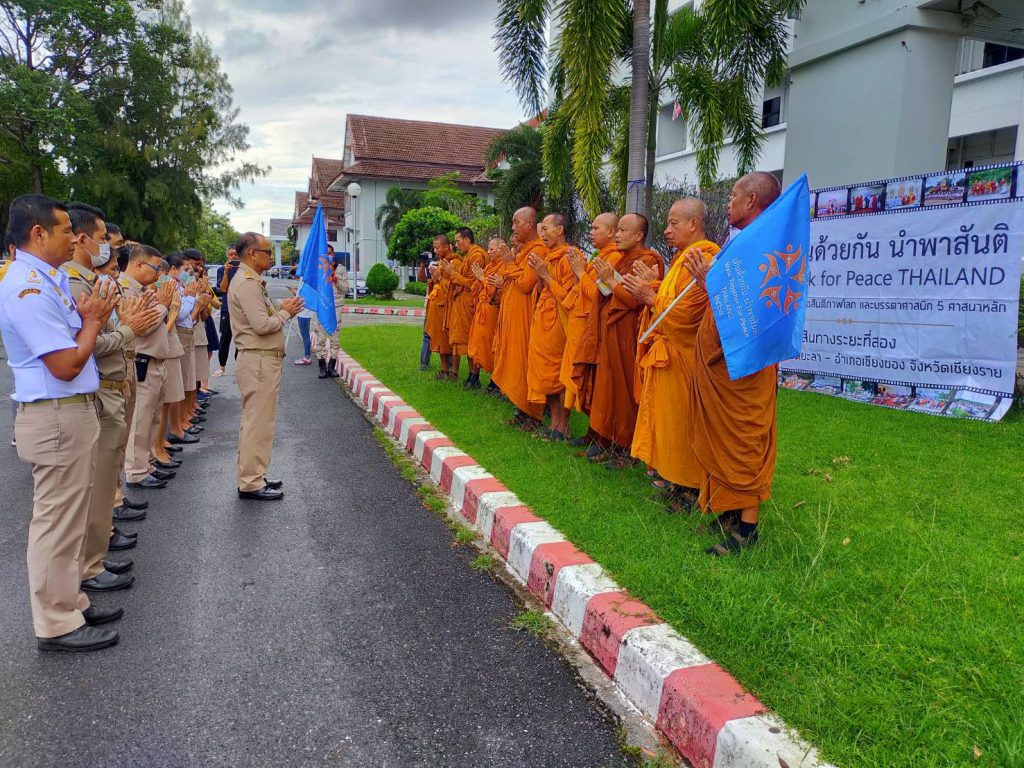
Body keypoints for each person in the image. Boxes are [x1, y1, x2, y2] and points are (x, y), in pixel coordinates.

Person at [0, 194, 122, 651]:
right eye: (66, 230)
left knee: (69, 521)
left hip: (67, 414)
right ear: (38, 234)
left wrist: (91, 321)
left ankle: (70, 600)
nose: (75, 238)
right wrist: (93, 321)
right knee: (56, 524)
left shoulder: (45, 279)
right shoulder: (26, 288)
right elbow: (66, 364)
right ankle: (56, 622)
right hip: (53, 416)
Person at [63, 203, 160, 594]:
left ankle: (94, 559)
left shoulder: (88, 281)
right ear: (82, 238)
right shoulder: (72, 282)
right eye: (105, 240)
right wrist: (129, 331)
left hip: (113, 385)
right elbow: (86, 343)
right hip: (98, 387)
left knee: (104, 481)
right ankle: (87, 565)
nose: (111, 250)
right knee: (94, 486)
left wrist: (127, 326)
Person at [687, 172, 783, 555]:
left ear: (752, 200)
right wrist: (707, 284)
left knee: (743, 439)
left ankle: (747, 530)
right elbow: (727, 300)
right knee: (722, 437)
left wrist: (712, 282)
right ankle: (727, 511)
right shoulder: (740, 242)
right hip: (720, 361)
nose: (727, 202)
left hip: (744, 364)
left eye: (733, 195)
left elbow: (754, 312)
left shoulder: (766, 247)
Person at [624, 199, 719, 509]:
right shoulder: (682, 260)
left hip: (685, 357)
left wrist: (650, 296)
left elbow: (687, 315)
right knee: (667, 423)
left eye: (673, 223)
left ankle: (690, 488)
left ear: (693, 224)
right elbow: (673, 295)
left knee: (681, 424)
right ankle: (674, 482)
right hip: (668, 355)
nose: (666, 230)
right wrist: (652, 286)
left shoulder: (706, 257)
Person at [573, 213, 664, 466]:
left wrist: (611, 280)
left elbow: (635, 298)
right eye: (618, 230)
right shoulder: (623, 260)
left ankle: (627, 449)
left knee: (625, 392)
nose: (618, 236)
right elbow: (605, 292)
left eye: (624, 231)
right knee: (609, 389)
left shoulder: (645, 261)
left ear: (638, 236)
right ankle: (610, 441)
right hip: (611, 332)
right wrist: (607, 280)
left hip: (628, 336)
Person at [228, 232, 304, 500]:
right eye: (267, 252)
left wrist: (281, 307)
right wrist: (286, 313)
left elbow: (260, 316)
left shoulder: (252, 282)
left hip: (261, 360)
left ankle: (254, 474)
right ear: (252, 254)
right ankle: (250, 481)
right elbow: (261, 326)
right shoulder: (247, 283)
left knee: (259, 422)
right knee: (256, 423)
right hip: (258, 359)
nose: (270, 256)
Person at [122, 247, 178, 493]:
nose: (159, 274)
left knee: (153, 419)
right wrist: (164, 307)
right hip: (142, 360)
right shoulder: (125, 289)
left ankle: (148, 463)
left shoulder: (144, 290)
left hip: (156, 361)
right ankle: (136, 471)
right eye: (156, 268)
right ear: (139, 265)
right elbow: (141, 326)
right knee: (140, 420)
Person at [491, 208, 545, 428]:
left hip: (524, 318)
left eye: (516, 222)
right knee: (514, 360)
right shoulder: (524, 252)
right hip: (513, 316)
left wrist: (509, 263)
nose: (513, 228)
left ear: (529, 224)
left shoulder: (538, 250)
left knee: (523, 362)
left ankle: (532, 413)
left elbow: (524, 284)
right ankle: (521, 410)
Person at [560, 213, 618, 420]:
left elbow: (597, 294)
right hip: (579, 320)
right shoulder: (600, 257)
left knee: (584, 375)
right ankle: (564, 426)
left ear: (611, 232)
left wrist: (580, 273)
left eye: (595, 228)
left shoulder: (614, 258)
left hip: (589, 323)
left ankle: (579, 427)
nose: (590, 233)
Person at [522, 213, 574, 440]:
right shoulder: (550, 257)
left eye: (546, 230)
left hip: (559, 323)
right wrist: (542, 277)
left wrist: (546, 276)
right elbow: (542, 291)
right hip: (544, 319)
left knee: (557, 375)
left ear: (559, 230)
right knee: (544, 373)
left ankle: (563, 426)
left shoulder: (570, 258)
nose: (542, 235)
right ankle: (554, 422)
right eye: (541, 230)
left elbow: (570, 298)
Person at [443, 227, 487, 386]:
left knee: (471, 340)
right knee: (465, 341)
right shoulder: (469, 255)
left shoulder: (477, 256)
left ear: (467, 240)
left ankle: (475, 376)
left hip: (470, 304)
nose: (456, 244)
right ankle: (471, 375)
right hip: (463, 303)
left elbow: (472, 283)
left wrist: (452, 273)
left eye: (458, 240)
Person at [466, 237, 506, 391]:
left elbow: (494, 293)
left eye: (491, 249)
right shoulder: (489, 267)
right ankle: (474, 377)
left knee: (491, 347)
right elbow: (478, 290)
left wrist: (482, 278)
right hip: (480, 311)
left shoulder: (503, 268)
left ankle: (494, 383)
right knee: (476, 344)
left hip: (491, 312)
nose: (488, 252)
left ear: (500, 249)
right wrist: (479, 279)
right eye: (488, 249)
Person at [312, 247, 351, 379]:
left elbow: (346, 289)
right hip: (322, 307)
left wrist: (336, 280)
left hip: (336, 306)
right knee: (321, 337)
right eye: (325, 254)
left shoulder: (341, 269)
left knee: (335, 337)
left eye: (329, 253)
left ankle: (332, 366)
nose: (328, 256)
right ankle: (322, 366)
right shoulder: (317, 268)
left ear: (333, 254)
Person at [424, 235, 457, 379]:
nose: (435, 250)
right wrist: (435, 279)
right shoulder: (442, 263)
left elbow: (453, 285)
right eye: (434, 247)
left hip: (449, 307)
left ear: (446, 247)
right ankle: (444, 370)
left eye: (438, 247)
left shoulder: (455, 261)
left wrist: (439, 278)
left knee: (453, 340)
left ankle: (454, 372)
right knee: (439, 339)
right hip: (438, 306)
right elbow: (438, 283)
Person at [213, 247, 239, 377]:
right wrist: (225, 273)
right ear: (227, 255)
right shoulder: (221, 270)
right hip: (227, 308)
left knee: (240, 338)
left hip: (241, 309)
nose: (233, 256)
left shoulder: (243, 270)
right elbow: (223, 289)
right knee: (225, 338)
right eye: (231, 254)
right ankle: (221, 366)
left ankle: (239, 367)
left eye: (236, 254)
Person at [417, 252, 434, 371]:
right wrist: (423, 264)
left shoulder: (449, 263)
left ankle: (449, 367)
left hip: (444, 304)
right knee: (427, 335)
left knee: (447, 336)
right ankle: (424, 363)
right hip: (430, 304)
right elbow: (422, 279)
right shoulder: (430, 265)